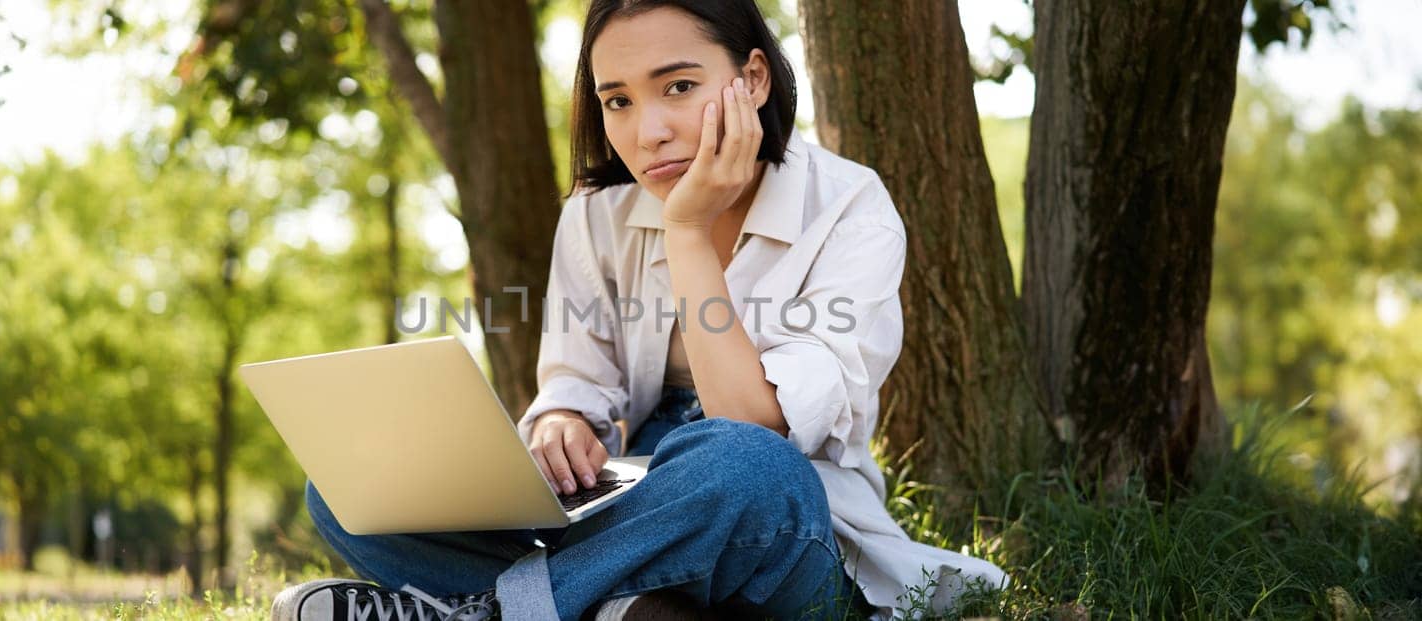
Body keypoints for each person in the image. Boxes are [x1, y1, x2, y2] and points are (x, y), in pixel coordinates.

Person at [274, 1, 1011, 619]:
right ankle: (616, 602)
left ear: (752, 78)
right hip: (626, 500)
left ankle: (495, 610)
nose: (645, 130)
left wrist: (687, 229)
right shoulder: (597, 213)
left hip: (777, 521)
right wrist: (562, 423)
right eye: (617, 100)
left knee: (744, 465)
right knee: (352, 477)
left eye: (679, 87)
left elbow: (752, 426)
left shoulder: (851, 208)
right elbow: (576, 381)